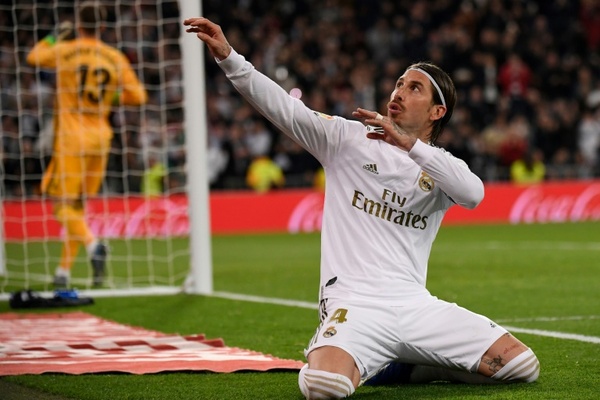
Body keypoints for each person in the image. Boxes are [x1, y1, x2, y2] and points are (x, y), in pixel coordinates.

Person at [184, 17, 540, 399]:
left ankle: (417, 366)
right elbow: (284, 109)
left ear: (437, 112)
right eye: (399, 83)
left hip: (415, 306)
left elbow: (474, 194)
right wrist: (230, 58)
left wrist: (409, 145)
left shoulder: (439, 166)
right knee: (324, 387)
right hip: (354, 303)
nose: (400, 91)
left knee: (520, 366)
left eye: (414, 88)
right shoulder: (346, 139)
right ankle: (373, 358)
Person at [27, 2, 147, 288]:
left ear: (78, 25)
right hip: (101, 139)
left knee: (61, 207)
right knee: (77, 208)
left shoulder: (65, 50)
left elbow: (33, 57)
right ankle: (63, 272)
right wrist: (109, 98)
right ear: (102, 27)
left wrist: (55, 35)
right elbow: (138, 96)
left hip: (72, 139)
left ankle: (94, 246)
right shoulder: (114, 56)